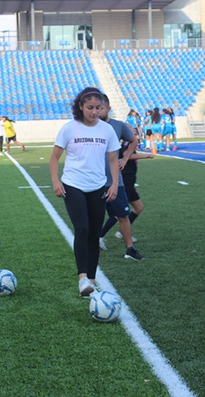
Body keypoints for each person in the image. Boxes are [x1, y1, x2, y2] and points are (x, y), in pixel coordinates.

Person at [49, 87, 120, 298]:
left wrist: (114, 184)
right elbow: (54, 158)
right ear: (80, 106)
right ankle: (82, 278)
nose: (94, 112)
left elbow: (113, 160)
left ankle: (91, 279)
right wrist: (55, 181)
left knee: (94, 233)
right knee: (82, 228)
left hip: (98, 186)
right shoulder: (70, 128)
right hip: (73, 185)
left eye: (98, 108)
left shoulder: (106, 130)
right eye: (90, 107)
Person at [98, 95, 143, 261]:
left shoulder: (118, 126)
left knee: (123, 216)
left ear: (108, 109)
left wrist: (124, 158)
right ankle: (91, 244)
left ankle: (130, 249)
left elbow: (133, 141)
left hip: (115, 181)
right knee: (92, 217)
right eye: (94, 107)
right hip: (93, 181)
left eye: (100, 107)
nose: (97, 111)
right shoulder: (89, 126)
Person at [100, 140, 153, 251]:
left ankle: (121, 232)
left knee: (138, 207)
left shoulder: (129, 142)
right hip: (125, 180)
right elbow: (126, 156)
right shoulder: (126, 143)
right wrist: (146, 156)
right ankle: (100, 236)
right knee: (119, 213)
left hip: (130, 181)